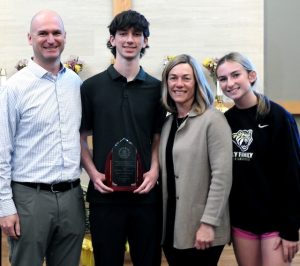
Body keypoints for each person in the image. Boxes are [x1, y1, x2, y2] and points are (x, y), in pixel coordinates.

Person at [80, 10, 165, 266]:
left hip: (146, 197)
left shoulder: (157, 89)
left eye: (137, 34)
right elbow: (81, 137)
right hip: (105, 197)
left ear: (145, 41)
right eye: (123, 34)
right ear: (112, 39)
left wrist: (154, 172)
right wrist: (93, 174)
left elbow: (158, 137)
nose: (130, 39)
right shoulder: (91, 87)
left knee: (148, 261)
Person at [0, 10, 85, 266]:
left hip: (71, 196)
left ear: (65, 37)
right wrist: (5, 206)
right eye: (43, 33)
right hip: (30, 199)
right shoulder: (14, 88)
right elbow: (2, 150)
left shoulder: (75, 83)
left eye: (56, 32)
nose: (51, 39)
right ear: (30, 38)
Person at [216, 51, 300, 266]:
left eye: (236, 75)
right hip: (243, 223)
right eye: (223, 79)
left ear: (251, 76)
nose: (229, 83)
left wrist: (291, 230)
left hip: (275, 223)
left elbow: (293, 175)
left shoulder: (278, 117)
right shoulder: (226, 121)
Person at [159, 54, 233, 266]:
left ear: (197, 82)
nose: (178, 84)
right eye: (173, 78)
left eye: (186, 78)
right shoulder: (167, 124)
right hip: (172, 226)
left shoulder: (213, 120)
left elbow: (222, 177)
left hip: (201, 228)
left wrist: (208, 223)